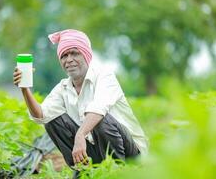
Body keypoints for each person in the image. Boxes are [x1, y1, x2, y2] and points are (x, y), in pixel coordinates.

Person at [13, 29, 148, 176]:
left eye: (74, 53)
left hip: (131, 155)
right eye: (64, 55)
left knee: (100, 120)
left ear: (86, 55)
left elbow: (99, 108)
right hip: (97, 152)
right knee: (52, 121)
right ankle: (83, 170)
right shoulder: (63, 88)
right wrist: (25, 88)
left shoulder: (104, 76)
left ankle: (116, 173)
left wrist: (80, 135)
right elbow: (40, 115)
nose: (69, 59)